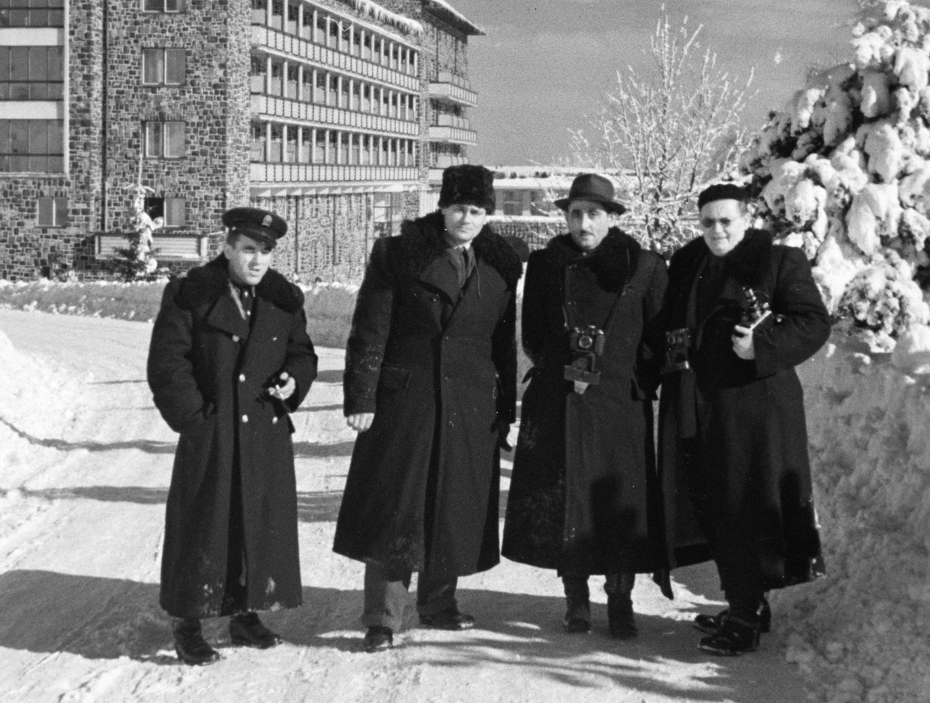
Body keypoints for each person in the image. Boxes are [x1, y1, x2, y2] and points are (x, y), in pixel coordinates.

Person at [333, 164, 528, 652]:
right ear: (442, 207)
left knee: (453, 504)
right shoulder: (399, 255)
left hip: (468, 401)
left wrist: (506, 406)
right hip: (407, 400)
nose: (467, 217)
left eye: (478, 210)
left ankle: (439, 604)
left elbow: (504, 343)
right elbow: (369, 328)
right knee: (398, 507)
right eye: (459, 207)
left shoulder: (501, 266)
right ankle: (382, 618)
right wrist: (361, 396)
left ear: (487, 216)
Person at [655, 182, 832, 656]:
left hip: (756, 407)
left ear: (747, 217)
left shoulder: (778, 262)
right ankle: (745, 601)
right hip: (700, 402)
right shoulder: (690, 262)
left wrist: (762, 346)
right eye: (707, 221)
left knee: (746, 506)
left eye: (725, 221)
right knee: (715, 504)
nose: (716, 230)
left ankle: (744, 615)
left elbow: (814, 323)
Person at [147, 207, 318, 666]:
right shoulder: (192, 295)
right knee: (201, 526)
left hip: (263, 432)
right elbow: (168, 363)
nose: (257, 260)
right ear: (227, 247)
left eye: (265, 252)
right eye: (248, 250)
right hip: (214, 433)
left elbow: (303, 354)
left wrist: (293, 381)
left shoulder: (284, 300)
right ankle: (188, 622)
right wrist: (195, 421)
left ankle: (246, 615)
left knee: (256, 526)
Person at [503, 173, 669, 638]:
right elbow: (532, 335)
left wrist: (630, 379)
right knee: (568, 501)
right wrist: (565, 369)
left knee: (619, 504)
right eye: (575, 213)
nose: (583, 223)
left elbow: (657, 336)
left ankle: (621, 602)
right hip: (561, 400)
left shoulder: (645, 266)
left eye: (593, 214)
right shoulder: (545, 265)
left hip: (619, 405)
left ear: (611, 219)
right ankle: (576, 599)